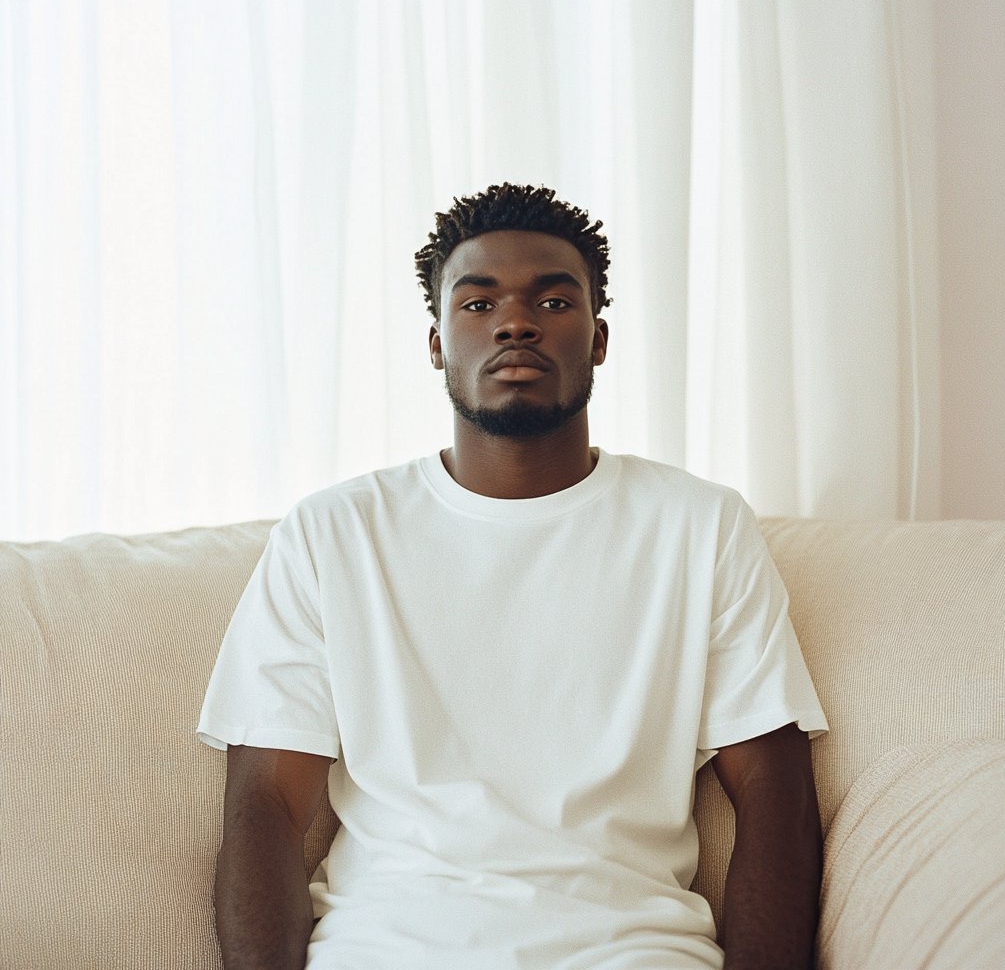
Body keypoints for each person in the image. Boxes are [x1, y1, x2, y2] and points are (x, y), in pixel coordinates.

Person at [198, 183, 828, 970]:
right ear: (436, 343)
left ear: (598, 338)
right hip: (385, 949)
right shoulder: (333, 533)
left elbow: (775, 792)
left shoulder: (699, 526)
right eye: (477, 302)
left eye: (554, 301)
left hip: (632, 952)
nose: (516, 321)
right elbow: (264, 806)